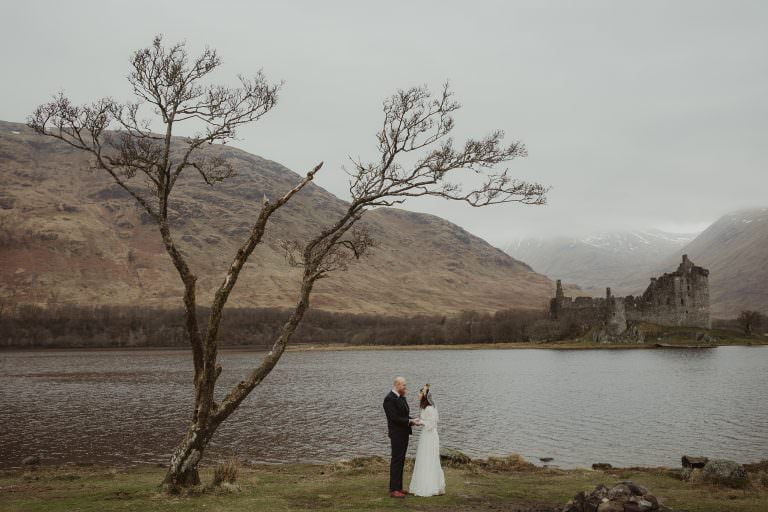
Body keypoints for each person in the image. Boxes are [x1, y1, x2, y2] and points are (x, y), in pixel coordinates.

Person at [382, 376, 421, 498]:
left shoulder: (401, 398)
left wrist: (413, 420)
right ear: (397, 385)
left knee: (401, 460)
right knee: (396, 460)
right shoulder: (389, 399)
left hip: (403, 433)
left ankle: (399, 487)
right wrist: (409, 422)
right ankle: (393, 489)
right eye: (404, 385)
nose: (405, 387)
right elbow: (394, 418)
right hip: (397, 435)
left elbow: (404, 415)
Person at [408, 384, 445, 496]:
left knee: (429, 457)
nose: (418, 395)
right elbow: (425, 421)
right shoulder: (424, 408)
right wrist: (419, 421)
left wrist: (421, 422)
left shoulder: (430, 408)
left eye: (420, 393)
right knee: (423, 457)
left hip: (430, 435)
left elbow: (432, 424)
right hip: (425, 435)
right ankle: (422, 483)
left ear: (424, 395)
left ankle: (430, 486)